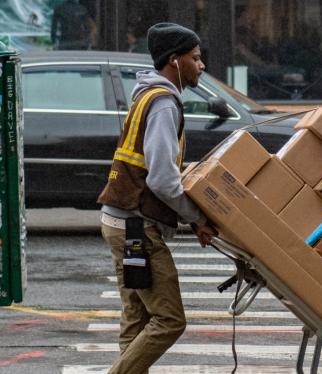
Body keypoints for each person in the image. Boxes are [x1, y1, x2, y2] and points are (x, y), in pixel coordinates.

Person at [97, 22, 216, 374]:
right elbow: (164, 180)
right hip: (137, 226)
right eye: (196, 58)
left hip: (118, 220)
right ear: (174, 61)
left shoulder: (146, 95)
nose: (202, 65)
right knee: (168, 320)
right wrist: (197, 217)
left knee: (137, 320)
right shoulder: (164, 104)